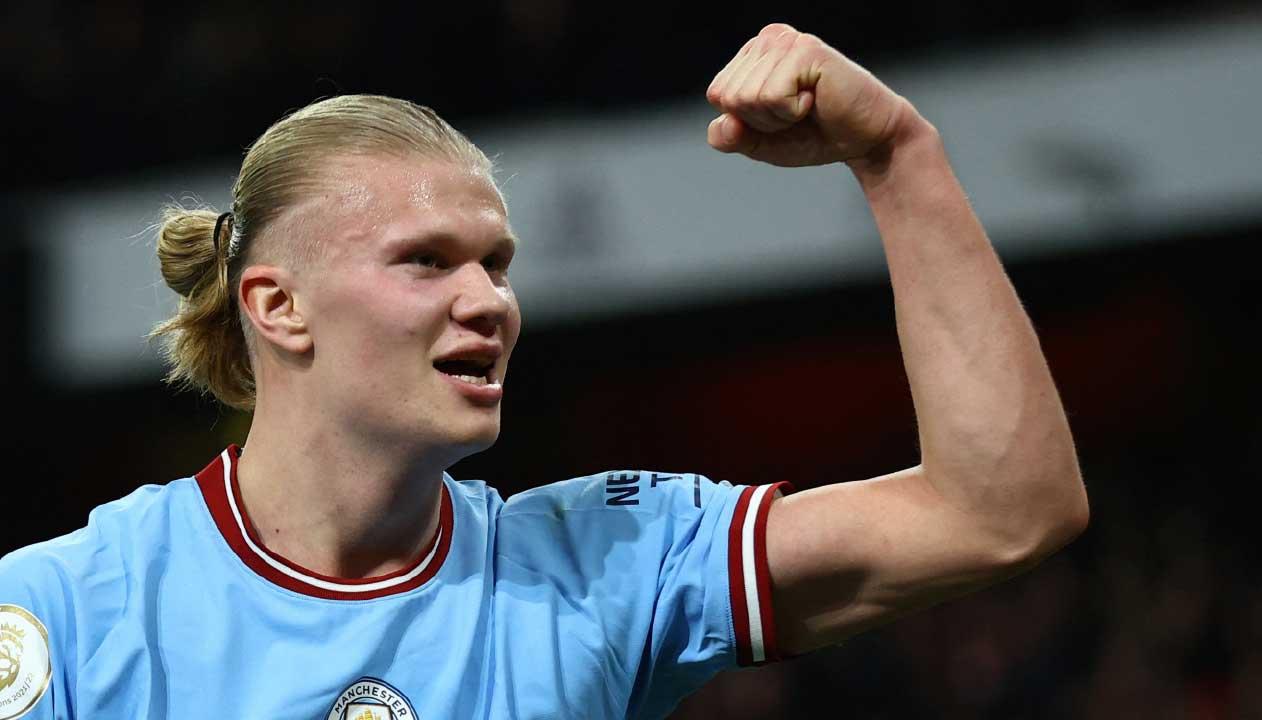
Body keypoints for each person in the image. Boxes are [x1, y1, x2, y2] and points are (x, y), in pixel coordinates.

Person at [0, 22, 1088, 720]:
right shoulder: (69, 613)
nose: (489, 301)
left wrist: (895, 155)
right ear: (277, 307)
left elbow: (1001, 511)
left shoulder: (604, 564)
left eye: (497, 264)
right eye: (427, 262)